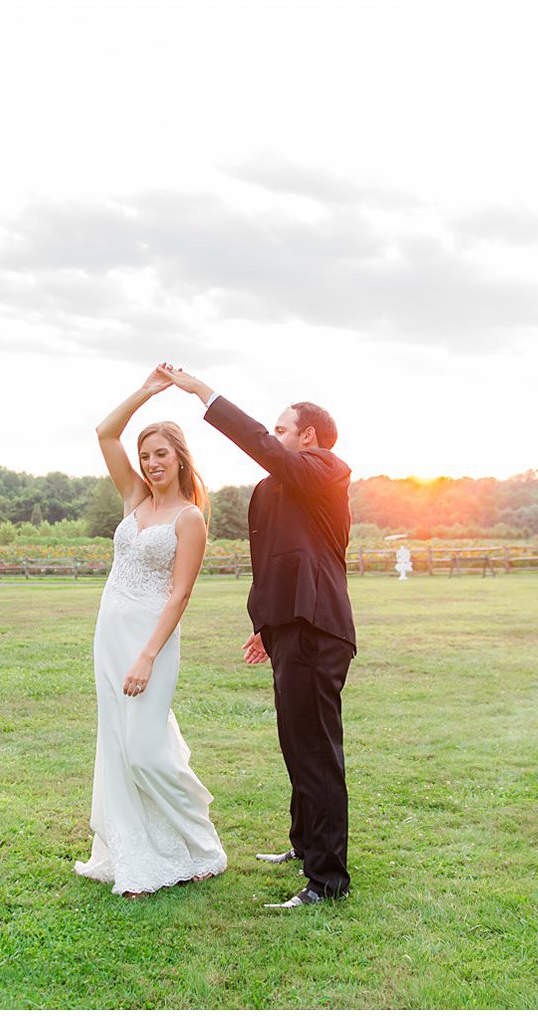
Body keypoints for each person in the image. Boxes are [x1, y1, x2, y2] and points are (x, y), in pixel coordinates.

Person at [158, 365, 355, 909]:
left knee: (315, 750)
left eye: (283, 429)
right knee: (297, 741)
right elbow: (277, 560)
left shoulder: (326, 469)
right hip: (292, 626)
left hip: (317, 628)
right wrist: (266, 626)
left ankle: (327, 881)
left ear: (307, 436)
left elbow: (263, 448)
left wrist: (204, 393)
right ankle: (304, 844)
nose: (277, 436)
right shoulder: (286, 485)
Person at [73, 366, 228, 898]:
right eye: (145, 456)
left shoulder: (190, 518)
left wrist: (147, 656)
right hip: (110, 632)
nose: (150, 464)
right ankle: (134, 852)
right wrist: (146, 391)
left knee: (145, 749)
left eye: (160, 455)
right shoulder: (135, 500)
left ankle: (203, 843)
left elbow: (180, 594)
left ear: (180, 457)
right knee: (117, 745)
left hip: (151, 640)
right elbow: (105, 433)